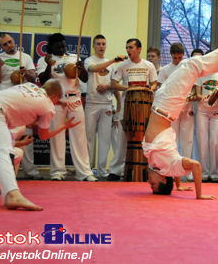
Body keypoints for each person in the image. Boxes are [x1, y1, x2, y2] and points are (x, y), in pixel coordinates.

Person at [143, 22, 218, 199]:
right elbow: (195, 166)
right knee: (191, 66)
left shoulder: (162, 167)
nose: (149, 182)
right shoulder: (170, 164)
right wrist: (199, 195)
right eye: (153, 184)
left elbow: (173, 170)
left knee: (191, 67)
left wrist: (178, 186)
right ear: (162, 180)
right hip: (167, 107)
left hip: (161, 103)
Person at [0, 80, 80, 210]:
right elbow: (43, 136)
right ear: (54, 97)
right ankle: (12, 195)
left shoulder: (30, 86)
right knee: (5, 151)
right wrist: (64, 127)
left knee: (1, 148)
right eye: (57, 100)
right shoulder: (48, 106)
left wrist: (58, 102)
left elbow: (37, 99)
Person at [37, 33, 96, 181]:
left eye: (64, 45)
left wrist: (81, 68)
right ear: (51, 47)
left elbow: (84, 78)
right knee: (57, 136)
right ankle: (57, 172)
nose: (62, 48)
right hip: (57, 102)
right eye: (59, 46)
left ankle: (85, 172)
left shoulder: (73, 58)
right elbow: (43, 80)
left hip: (74, 99)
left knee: (79, 136)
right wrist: (49, 66)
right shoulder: (44, 60)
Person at [0, 32, 41, 180]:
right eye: (5, 44)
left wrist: (25, 73)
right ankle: (1, 171)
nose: (9, 46)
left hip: (21, 100)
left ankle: (30, 171)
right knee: (2, 136)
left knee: (25, 134)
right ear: (0, 46)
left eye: (10, 42)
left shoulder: (25, 57)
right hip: (3, 101)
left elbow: (33, 78)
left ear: (14, 41)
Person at [108, 38, 157, 180]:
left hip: (143, 106)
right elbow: (113, 83)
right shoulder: (123, 65)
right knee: (122, 138)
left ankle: (145, 168)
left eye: (131, 47)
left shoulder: (149, 65)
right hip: (127, 105)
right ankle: (116, 170)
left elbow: (154, 83)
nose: (128, 50)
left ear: (139, 49)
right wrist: (128, 88)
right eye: (127, 48)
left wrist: (150, 89)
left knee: (144, 137)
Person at [84, 34, 124, 179]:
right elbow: (95, 69)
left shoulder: (111, 64)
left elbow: (114, 85)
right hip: (92, 104)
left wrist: (117, 103)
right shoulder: (89, 60)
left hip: (106, 104)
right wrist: (114, 60)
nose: (101, 46)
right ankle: (87, 170)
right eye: (98, 44)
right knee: (88, 138)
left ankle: (102, 170)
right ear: (94, 46)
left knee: (105, 139)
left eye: (103, 44)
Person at [158, 43, 196, 169]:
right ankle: (172, 168)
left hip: (186, 107)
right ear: (171, 55)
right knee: (172, 140)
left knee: (188, 140)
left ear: (183, 55)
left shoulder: (188, 67)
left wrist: (191, 98)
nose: (177, 60)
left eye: (179, 57)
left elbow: (194, 87)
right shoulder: (164, 70)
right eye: (175, 58)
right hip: (171, 108)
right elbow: (161, 88)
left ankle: (187, 170)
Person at [195, 59, 218, 182]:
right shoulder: (201, 74)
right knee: (202, 142)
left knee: (215, 142)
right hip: (202, 111)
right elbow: (197, 94)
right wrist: (207, 97)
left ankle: (214, 172)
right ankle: (203, 172)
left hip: (216, 111)